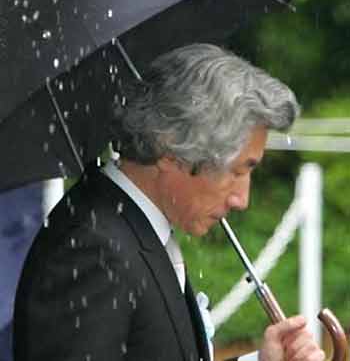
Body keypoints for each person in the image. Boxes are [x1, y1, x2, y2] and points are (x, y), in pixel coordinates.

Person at [13, 44, 325, 361]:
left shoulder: (132, 226)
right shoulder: (92, 250)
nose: (241, 199)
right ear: (172, 151)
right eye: (235, 171)